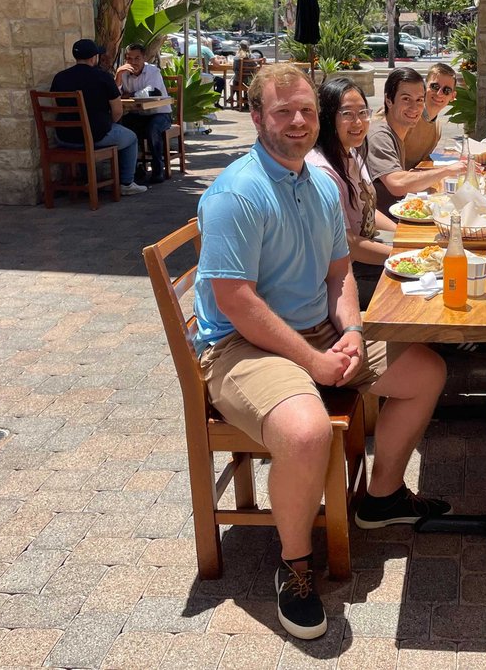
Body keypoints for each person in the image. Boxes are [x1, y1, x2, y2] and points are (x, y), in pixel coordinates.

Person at [193, 65, 451, 639]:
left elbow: (340, 275)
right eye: (283, 111)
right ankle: (294, 564)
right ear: (256, 116)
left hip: (316, 330)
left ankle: (380, 497)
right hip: (241, 346)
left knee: (426, 372)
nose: (298, 121)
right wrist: (313, 362)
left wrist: (353, 332)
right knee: (307, 433)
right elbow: (237, 303)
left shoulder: (316, 183)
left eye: (307, 110)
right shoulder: (237, 192)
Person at [307, 76, 397, 308]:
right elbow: (350, 245)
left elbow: (366, 208)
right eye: (347, 114)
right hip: (345, 278)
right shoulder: (323, 172)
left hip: (367, 257)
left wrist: (403, 236)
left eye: (363, 113)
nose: (358, 122)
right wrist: (403, 255)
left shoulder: (351, 152)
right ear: (327, 118)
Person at [51, 39, 147, 196]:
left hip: (63, 137)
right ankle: (126, 183)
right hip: (94, 136)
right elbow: (117, 111)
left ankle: (88, 179)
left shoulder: (59, 78)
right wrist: (107, 124)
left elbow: (57, 105)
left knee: (86, 136)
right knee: (131, 137)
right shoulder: (103, 77)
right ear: (93, 58)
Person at [366, 68, 466, 214]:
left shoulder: (432, 126)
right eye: (406, 99)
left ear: (452, 96)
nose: (414, 107)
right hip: (385, 221)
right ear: (389, 100)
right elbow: (397, 183)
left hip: (402, 207)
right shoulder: (380, 134)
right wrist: (448, 170)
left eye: (419, 100)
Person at [115, 42, 172, 185]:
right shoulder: (124, 72)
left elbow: (152, 91)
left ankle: (158, 169)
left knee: (153, 129)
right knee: (123, 128)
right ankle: (132, 170)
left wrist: (130, 94)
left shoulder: (153, 71)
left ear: (144, 58)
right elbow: (115, 94)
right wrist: (118, 75)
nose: (133, 62)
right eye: (129, 58)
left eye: (137, 58)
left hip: (160, 114)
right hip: (138, 114)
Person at [402, 63, 459, 168]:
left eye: (446, 90)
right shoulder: (404, 115)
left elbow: (423, 163)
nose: (439, 93)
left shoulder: (437, 127)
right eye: (435, 86)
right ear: (424, 87)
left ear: (452, 96)